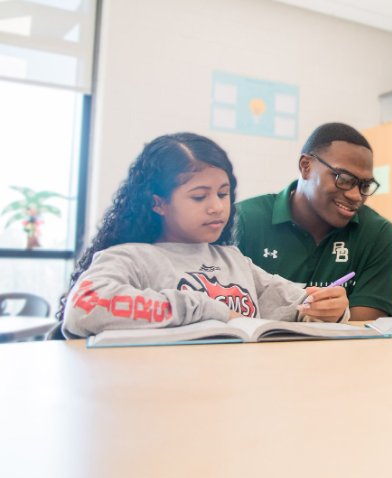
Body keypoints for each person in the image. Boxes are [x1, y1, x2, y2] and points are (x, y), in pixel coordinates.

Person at [60, 133, 349, 337]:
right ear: (158, 203)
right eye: (199, 197)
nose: (217, 207)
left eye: (223, 194)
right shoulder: (130, 258)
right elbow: (85, 307)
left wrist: (330, 308)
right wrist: (210, 310)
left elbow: (298, 307)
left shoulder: (233, 260)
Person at [236, 123, 392, 320]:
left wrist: (340, 315)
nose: (356, 196)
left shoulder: (376, 233)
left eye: (365, 185)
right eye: (344, 179)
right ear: (306, 166)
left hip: (342, 351)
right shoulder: (243, 220)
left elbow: (365, 327)